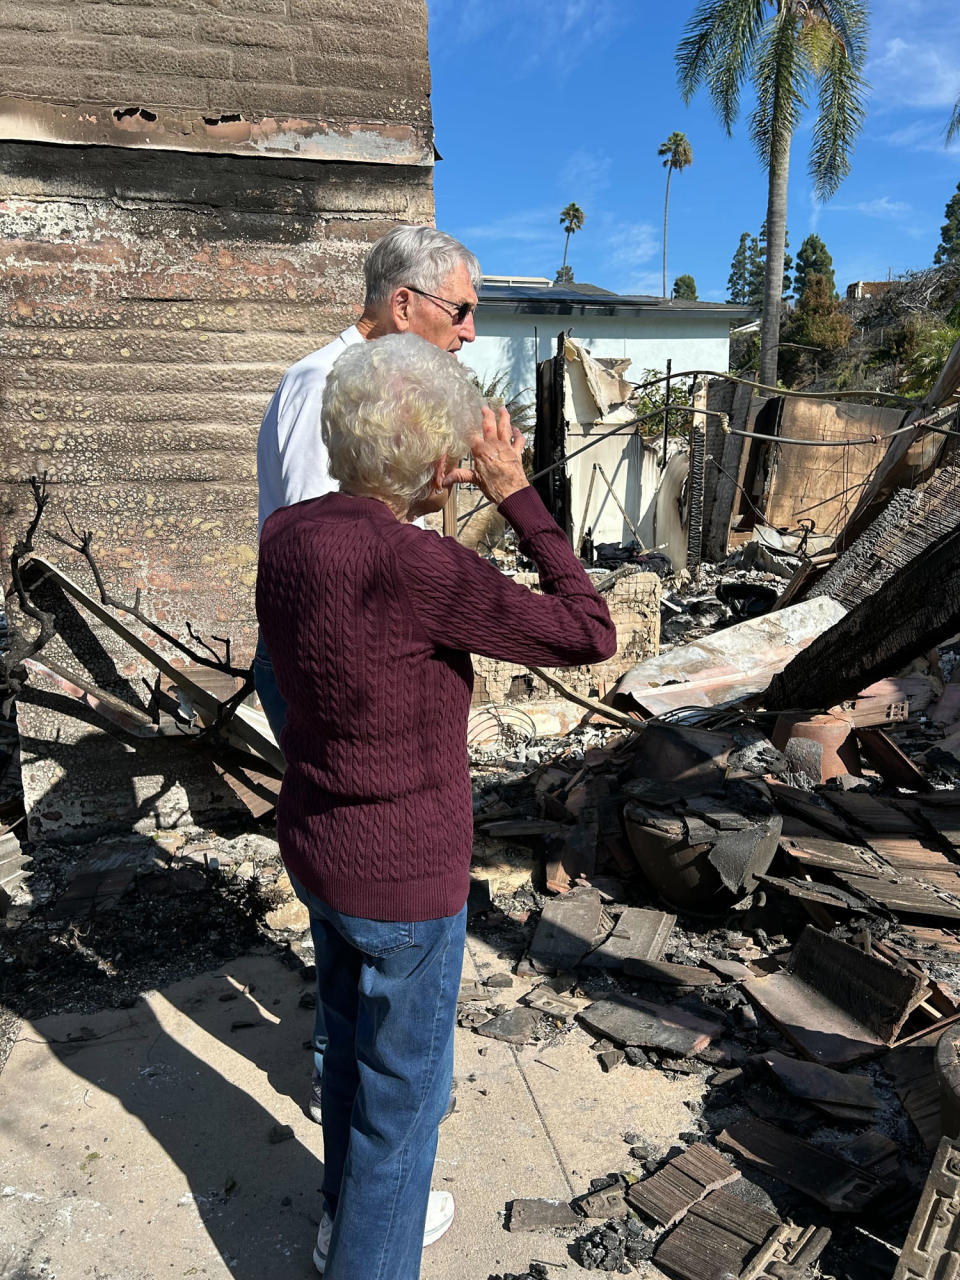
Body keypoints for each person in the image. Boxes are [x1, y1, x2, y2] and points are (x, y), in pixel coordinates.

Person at [255, 333, 616, 1279]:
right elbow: (590, 630)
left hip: (318, 842)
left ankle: (341, 1221)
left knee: (347, 1065)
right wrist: (517, 495)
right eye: (453, 449)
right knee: (402, 1104)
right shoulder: (420, 570)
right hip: (404, 877)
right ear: (430, 456)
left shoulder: (289, 537)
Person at [253, 225, 482, 1117]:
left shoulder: (378, 385)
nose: (467, 333)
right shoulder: (329, 387)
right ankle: (348, 1081)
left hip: (347, 657)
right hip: (335, 666)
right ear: (403, 305)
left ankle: (362, 1072)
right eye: (459, 313)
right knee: (359, 859)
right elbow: (334, 566)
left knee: (350, 866)